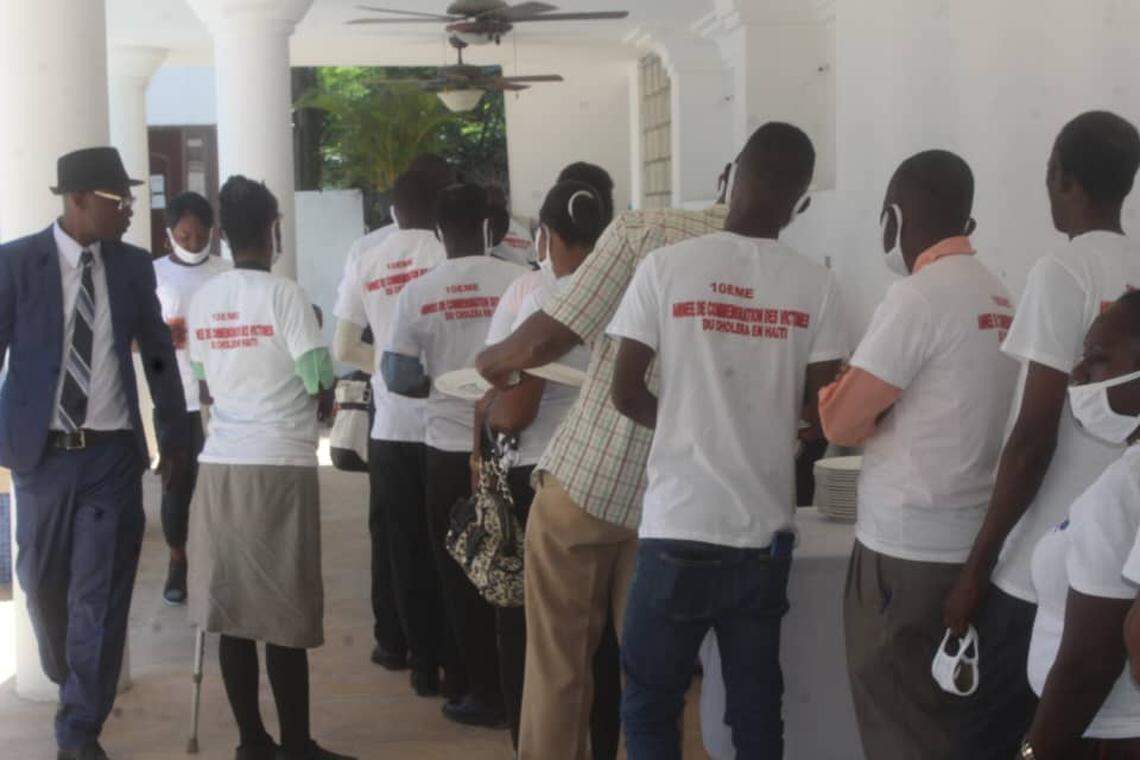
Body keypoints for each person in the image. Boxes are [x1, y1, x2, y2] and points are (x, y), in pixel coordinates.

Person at [606, 121, 844, 759]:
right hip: (762, 537)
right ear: (800, 204)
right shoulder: (816, 285)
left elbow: (625, 391)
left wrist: (691, 423)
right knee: (757, 710)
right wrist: (764, 423)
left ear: (730, 177)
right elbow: (824, 413)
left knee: (652, 702)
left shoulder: (665, 267)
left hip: (678, 527)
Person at [475, 161, 727, 760]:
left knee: (559, 670)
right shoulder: (774, 268)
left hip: (586, 487)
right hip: (664, 498)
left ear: (549, 236)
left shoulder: (642, 235)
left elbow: (536, 347)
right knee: (651, 672)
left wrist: (492, 366)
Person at [943, 110, 1140, 758]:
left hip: (1039, 572)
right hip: (1117, 574)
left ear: (1060, 176)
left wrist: (978, 565)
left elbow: (1032, 438)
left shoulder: (1063, 271)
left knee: (988, 737)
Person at [818, 151, 1018, 758]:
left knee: (898, 723)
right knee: (954, 723)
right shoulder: (999, 295)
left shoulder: (917, 298)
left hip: (904, 555)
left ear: (896, 218)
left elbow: (842, 420)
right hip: (977, 551)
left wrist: (844, 385)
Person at [0, 146, 191, 760]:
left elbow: (157, 352)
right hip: (41, 459)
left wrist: (177, 433)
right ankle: (69, 676)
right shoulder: (17, 264)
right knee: (41, 586)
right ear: (78, 200)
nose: (131, 209)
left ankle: (79, 732)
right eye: (119, 199)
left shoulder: (134, 267)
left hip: (111, 456)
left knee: (99, 595)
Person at [186, 176, 348, 760]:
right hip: (280, 464)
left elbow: (203, 383)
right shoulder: (285, 296)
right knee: (284, 610)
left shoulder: (203, 299)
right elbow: (317, 379)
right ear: (274, 231)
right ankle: (298, 745)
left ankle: (252, 742)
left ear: (224, 235)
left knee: (232, 611)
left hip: (221, 466)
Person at [383, 183, 526, 728]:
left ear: (439, 232)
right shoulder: (518, 280)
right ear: (490, 226)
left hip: (446, 451)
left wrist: (442, 389)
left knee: (461, 569)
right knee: (515, 569)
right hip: (514, 447)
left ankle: (478, 688)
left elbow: (398, 375)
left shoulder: (418, 292)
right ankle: (519, 689)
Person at [477, 180, 609, 749]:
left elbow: (516, 412)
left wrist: (487, 407)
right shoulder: (628, 291)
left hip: (544, 480)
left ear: (547, 236)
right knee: (607, 644)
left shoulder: (541, 300)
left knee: (547, 644)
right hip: (614, 481)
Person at [332, 153, 457, 673]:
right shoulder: (452, 251)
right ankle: (451, 654)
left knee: (393, 541)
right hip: (447, 426)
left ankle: (399, 644)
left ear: (394, 208)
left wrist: (384, 371)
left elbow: (343, 346)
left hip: (390, 426)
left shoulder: (368, 255)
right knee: (448, 543)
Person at [1021, 292, 1140, 759]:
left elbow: (1091, 661)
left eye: (1096, 359)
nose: (1078, 375)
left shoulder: (1128, 483)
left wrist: (1034, 752)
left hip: (1111, 736)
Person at [152, 190, 230, 606]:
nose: (194, 243)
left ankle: (217, 558)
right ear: (169, 236)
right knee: (177, 483)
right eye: (185, 236)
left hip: (222, 399)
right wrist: (172, 337)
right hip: (174, 398)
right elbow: (137, 339)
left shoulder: (227, 272)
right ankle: (178, 558)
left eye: (201, 236)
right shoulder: (154, 275)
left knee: (218, 483)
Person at [487, 184, 536, 267]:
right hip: (524, 274)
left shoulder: (487, 229)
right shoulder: (523, 230)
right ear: (506, 202)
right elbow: (533, 260)